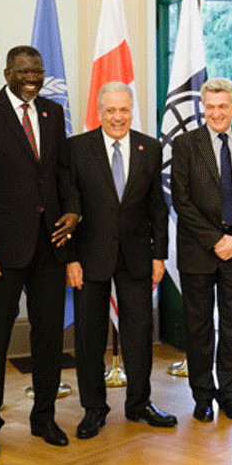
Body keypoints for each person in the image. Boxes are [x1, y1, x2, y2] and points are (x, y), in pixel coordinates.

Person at [0, 45, 79, 460]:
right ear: (8, 73)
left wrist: (73, 212)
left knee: (48, 338)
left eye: (38, 71)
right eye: (24, 71)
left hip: (50, 244)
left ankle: (44, 417)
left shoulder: (53, 112)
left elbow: (62, 171)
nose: (32, 77)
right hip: (2, 250)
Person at [66, 82, 176, 438]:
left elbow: (158, 208)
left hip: (136, 257)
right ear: (99, 112)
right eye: (111, 110)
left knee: (139, 333)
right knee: (88, 336)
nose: (118, 117)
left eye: (124, 110)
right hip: (89, 258)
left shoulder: (150, 148)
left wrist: (160, 254)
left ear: (132, 111)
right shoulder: (77, 149)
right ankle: (93, 408)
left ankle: (139, 404)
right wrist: (70, 259)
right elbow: (68, 208)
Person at [171, 78, 232, 423]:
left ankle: (228, 392)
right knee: (197, 327)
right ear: (203, 109)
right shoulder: (185, 145)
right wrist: (214, 240)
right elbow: (181, 201)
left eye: (222, 106)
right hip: (199, 250)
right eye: (209, 107)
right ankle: (202, 395)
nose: (216, 113)